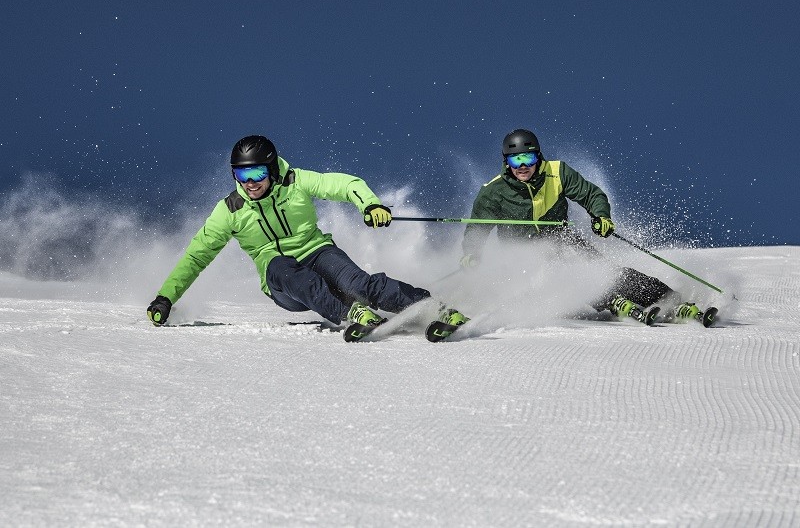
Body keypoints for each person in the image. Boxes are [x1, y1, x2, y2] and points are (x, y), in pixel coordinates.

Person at [147, 135, 467, 340]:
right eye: (242, 176)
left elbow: (342, 184)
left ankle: (435, 309)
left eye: (257, 174)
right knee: (283, 266)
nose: (250, 183)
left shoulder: (296, 181)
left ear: (272, 171)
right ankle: (349, 313)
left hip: (317, 251)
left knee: (360, 283)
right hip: (282, 281)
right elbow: (196, 256)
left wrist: (369, 203)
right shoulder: (230, 209)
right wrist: (166, 298)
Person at [460, 128, 710, 325]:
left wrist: (601, 216)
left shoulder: (557, 172)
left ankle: (671, 301)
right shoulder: (492, 192)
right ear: (506, 162)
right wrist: (472, 254)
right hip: (523, 257)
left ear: (539, 156)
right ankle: (613, 301)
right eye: (516, 160)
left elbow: (591, 194)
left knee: (605, 272)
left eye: (528, 157)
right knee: (569, 280)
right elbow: (477, 228)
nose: (523, 165)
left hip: (561, 237)